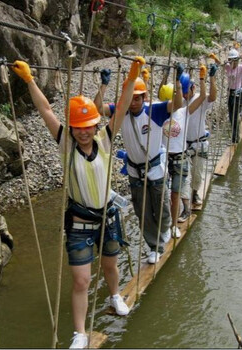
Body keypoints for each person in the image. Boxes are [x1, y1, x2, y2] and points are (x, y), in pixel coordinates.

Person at [12, 56, 145, 349]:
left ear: (95, 124)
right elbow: (46, 110)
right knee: (82, 281)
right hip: (80, 223)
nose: (84, 132)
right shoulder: (66, 145)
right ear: (72, 128)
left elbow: (122, 107)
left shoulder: (105, 139)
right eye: (79, 127)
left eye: (88, 126)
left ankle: (114, 296)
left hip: (108, 217)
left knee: (111, 266)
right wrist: (30, 80)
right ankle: (80, 332)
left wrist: (132, 77)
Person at [94, 64, 184, 264]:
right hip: (135, 172)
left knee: (161, 209)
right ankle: (155, 246)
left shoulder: (156, 111)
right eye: (131, 97)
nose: (133, 102)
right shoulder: (120, 112)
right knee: (143, 212)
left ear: (144, 97)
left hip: (155, 170)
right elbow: (97, 109)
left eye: (137, 98)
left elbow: (177, 104)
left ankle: (166, 229)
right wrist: (104, 85)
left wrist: (178, 80)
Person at [159, 65, 207, 237]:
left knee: (175, 194)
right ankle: (164, 226)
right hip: (164, 158)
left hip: (179, 157)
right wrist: (165, 77)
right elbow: (158, 94)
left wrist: (202, 79)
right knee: (164, 195)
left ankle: (173, 225)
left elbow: (202, 97)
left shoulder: (185, 111)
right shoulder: (159, 112)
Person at [177, 62, 218, 216]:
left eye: (187, 91)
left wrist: (210, 78)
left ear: (193, 88)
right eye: (183, 92)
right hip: (184, 145)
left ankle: (195, 192)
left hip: (199, 143)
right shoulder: (179, 102)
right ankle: (185, 206)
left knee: (197, 174)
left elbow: (213, 96)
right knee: (183, 176)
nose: (185, 95)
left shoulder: (200, 100)